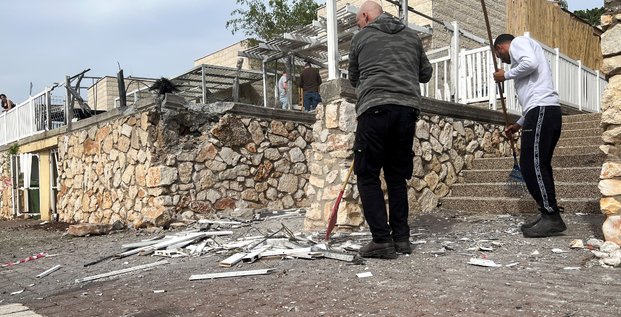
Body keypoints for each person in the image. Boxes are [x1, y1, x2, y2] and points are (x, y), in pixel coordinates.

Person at [348, 1, 432, 259]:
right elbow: (426, 74)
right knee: (396, 176)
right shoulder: (412, 37)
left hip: (374, 110)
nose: (358, 25)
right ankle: (402, 239)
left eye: (358, 21)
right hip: (406, 112)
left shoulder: (361, 38)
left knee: (367, 173)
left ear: (365, 16)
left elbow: (353, 77)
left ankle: (382, 241)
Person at [493, 34, 566, 238]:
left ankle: (551, 216)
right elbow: (533, 97)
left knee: (531, 164)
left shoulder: (518, 43)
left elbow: (530, 63)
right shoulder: (525, 50)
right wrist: (518, 124)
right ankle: (547, 213)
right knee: (538, 164)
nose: (501, 60)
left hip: (542, 110)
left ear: (500, 47)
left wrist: (505, 76)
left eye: (498, 55)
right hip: (541, 111)